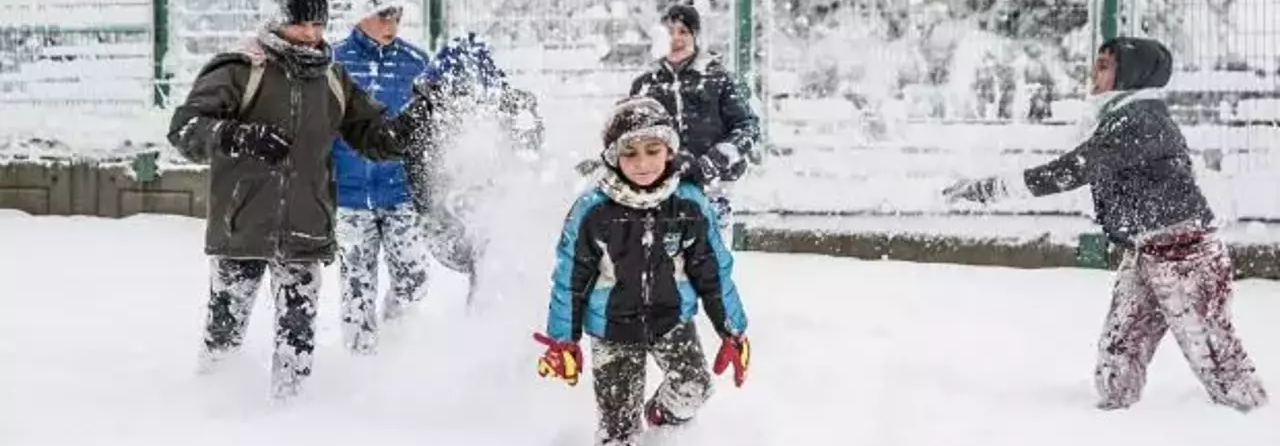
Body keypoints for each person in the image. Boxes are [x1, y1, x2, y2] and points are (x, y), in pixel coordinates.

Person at [943, 37, 1267, 413]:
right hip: (1147, 250)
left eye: (1104, 65)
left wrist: (990, 189)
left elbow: (1071, 170)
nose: (1093, 74)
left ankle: (1253, 420)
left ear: (1128, 73)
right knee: (1120, 351)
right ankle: (1112, 424)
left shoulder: (1141, 121)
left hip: (1186, 256)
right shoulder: (1121, 118)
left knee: (1215, 357)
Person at [166, 0, 435, 399]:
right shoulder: (243, 68)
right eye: (300, 24)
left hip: (305, 229)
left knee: (298, 337)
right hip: (242, 226)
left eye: (317, 24)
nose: (311, 34)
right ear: (277, 22)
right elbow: (186, 129)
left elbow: (374, 135)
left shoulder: (331, 77)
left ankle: (291, 417)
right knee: (225, 331)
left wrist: (410, 125)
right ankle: (212, 409)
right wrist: (238, 136)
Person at [533, 96, 751, 445]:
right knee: (619, 431)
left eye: (653, 149)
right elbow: (569, 278)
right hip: (612, 326)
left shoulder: (689, 203)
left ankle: (662, 422)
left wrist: (732, 329)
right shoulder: (594, 211)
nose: (643, 162)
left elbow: (714, 271)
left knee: (694, 386)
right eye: (630, 153)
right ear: (613, 157)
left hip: (671, 318)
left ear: (670, 150)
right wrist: (563, 340)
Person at [405, 32, 545, 306]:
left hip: (490, 210)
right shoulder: (426, 118)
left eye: (473, 95)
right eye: (455, 93)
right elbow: (417, 172)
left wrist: (527, 119)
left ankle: (488, 318)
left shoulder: (507, 112)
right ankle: (483, 315)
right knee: (485, 255)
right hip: (445, 219)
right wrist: (433, 209)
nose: (465, 103)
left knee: (492, 255)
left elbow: (529, 156)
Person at [330, 0, 433, 354]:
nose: (393, 22)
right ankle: (361, 359)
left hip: (401, 192)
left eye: (398, 14)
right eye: (384, 14)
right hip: (349, 195)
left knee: (413, 275)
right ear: (360, 14)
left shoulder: (418, 63)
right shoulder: (334, 62)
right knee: (356, 283)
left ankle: (396, 340)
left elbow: (431, 127)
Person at [626, 4, 761, 244]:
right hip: (663, 189)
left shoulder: (718, 78)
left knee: (711, 261)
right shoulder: (646, 85)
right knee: (666, 264)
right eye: (669, 32)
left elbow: (748, 126)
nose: (675, 38)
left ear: (696, 36)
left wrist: (714, 161)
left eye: (683, 32)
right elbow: (629, 135)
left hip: (714, 187)